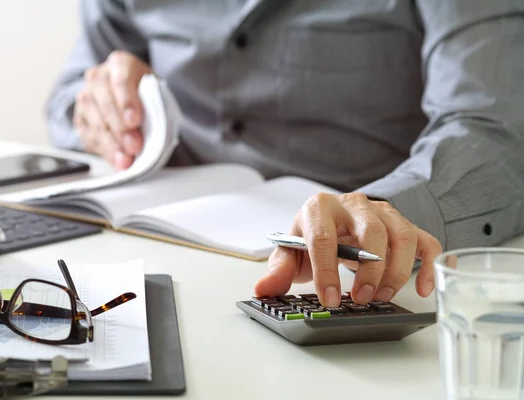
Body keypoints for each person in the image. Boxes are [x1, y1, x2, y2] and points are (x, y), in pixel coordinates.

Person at [45, 1, 524, 308]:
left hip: (347, 278)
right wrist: (100, 103)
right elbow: (67, 96)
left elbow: (493, 129)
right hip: (155, 259)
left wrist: (384, 210)